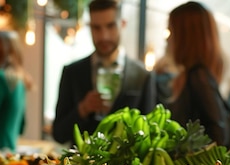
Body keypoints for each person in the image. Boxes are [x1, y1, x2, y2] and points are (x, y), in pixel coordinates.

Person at [53, 0, 157, 145]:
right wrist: (83, 109)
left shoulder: (142, 76)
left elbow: (150, 138)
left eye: (110, 26)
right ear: (89, 28)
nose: (104, 36)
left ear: (123, 24)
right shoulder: (72, 72)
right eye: (96, 28)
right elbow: (58, 134)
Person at [164, 1, 230, 147]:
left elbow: (218, 135)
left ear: (186, 37)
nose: (168, 39)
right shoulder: (194, 75)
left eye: (171, 32)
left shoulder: (198, 76)